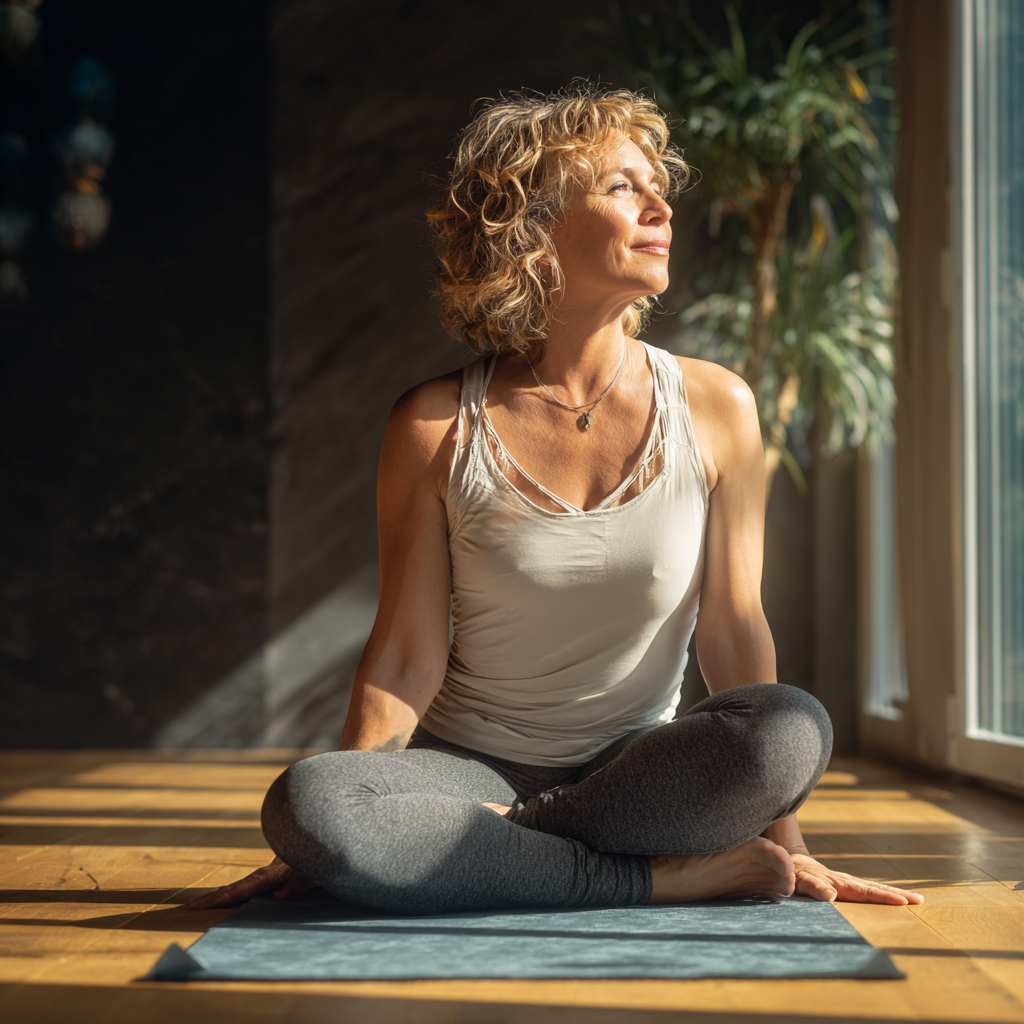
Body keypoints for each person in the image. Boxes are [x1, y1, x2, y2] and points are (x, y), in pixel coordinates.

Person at [190, 87, 922, 915]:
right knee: (309, 801)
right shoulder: (433, 426)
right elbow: (403, 656)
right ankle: (650, 877)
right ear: (534, 233)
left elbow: (733, 628)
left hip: (643, 776)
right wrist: (347, 811)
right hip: (472, 763)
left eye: (658, 186)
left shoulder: (718, 407)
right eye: (620, 186)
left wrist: (784, 834)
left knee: (792, 728)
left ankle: (501, 847)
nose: (658, 205)